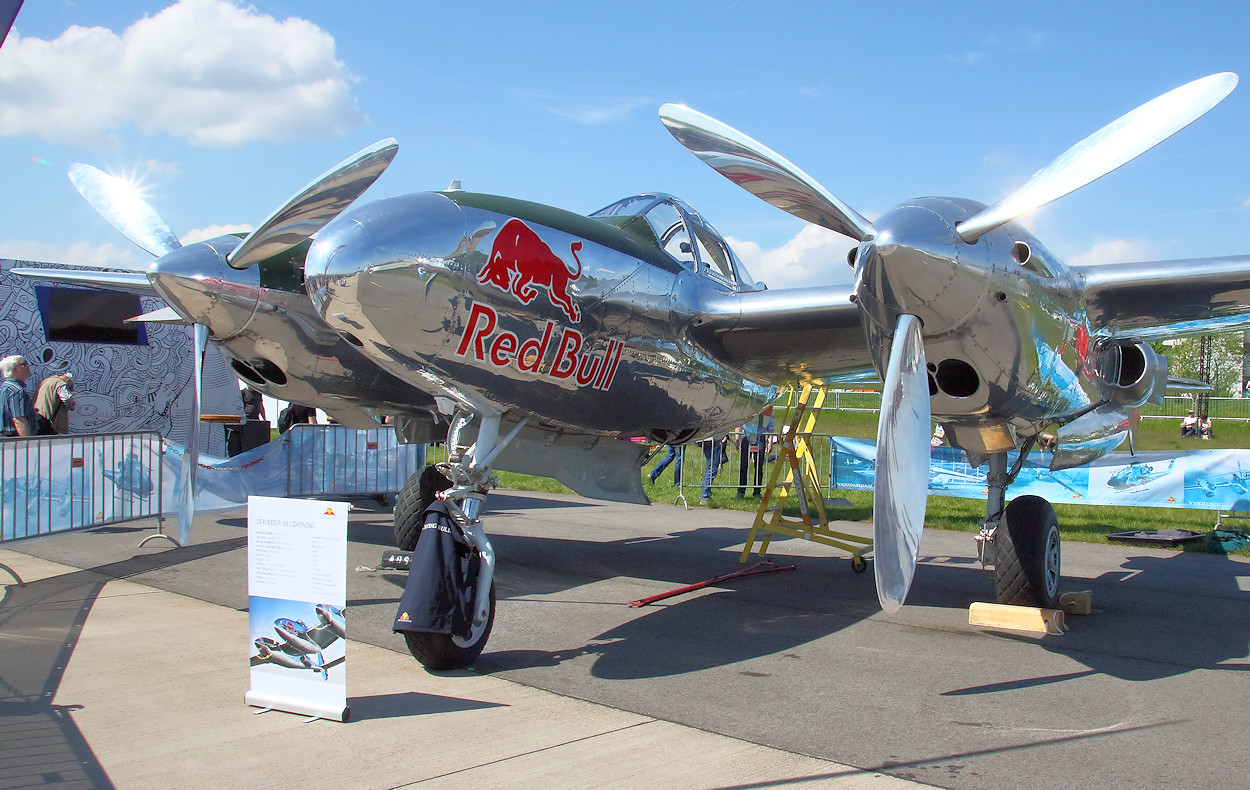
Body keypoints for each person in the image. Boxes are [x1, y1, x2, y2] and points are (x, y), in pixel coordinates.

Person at [736, 407, 774, 498]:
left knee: (758, 466)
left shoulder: (767, 408)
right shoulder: (747, 406)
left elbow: (770, 425)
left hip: (760, 436)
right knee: (743, 465)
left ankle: (757, 492)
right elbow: (739, 422)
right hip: (746, 436)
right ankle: (741, 491)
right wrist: (737, 438)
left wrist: (770, 441)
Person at [0, 355, 38, 437]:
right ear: (15, 369)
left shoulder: (4, 388)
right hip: (15, 438)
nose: (28, 366)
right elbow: (19, 420)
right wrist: (27, 442)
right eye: (24, 364)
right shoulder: (17, 390)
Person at [34, 359, 75, 434]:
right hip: (49, 420)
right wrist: (72, 405)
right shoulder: (60, 383)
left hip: (39, 416)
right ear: (68, 381)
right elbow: (66, 398)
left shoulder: (46, 381)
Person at [700, 433, 729, 503]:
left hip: (708, 438)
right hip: (710, 439)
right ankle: (705, 496)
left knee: (710, 467)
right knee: (712, 469)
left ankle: (707, 495)